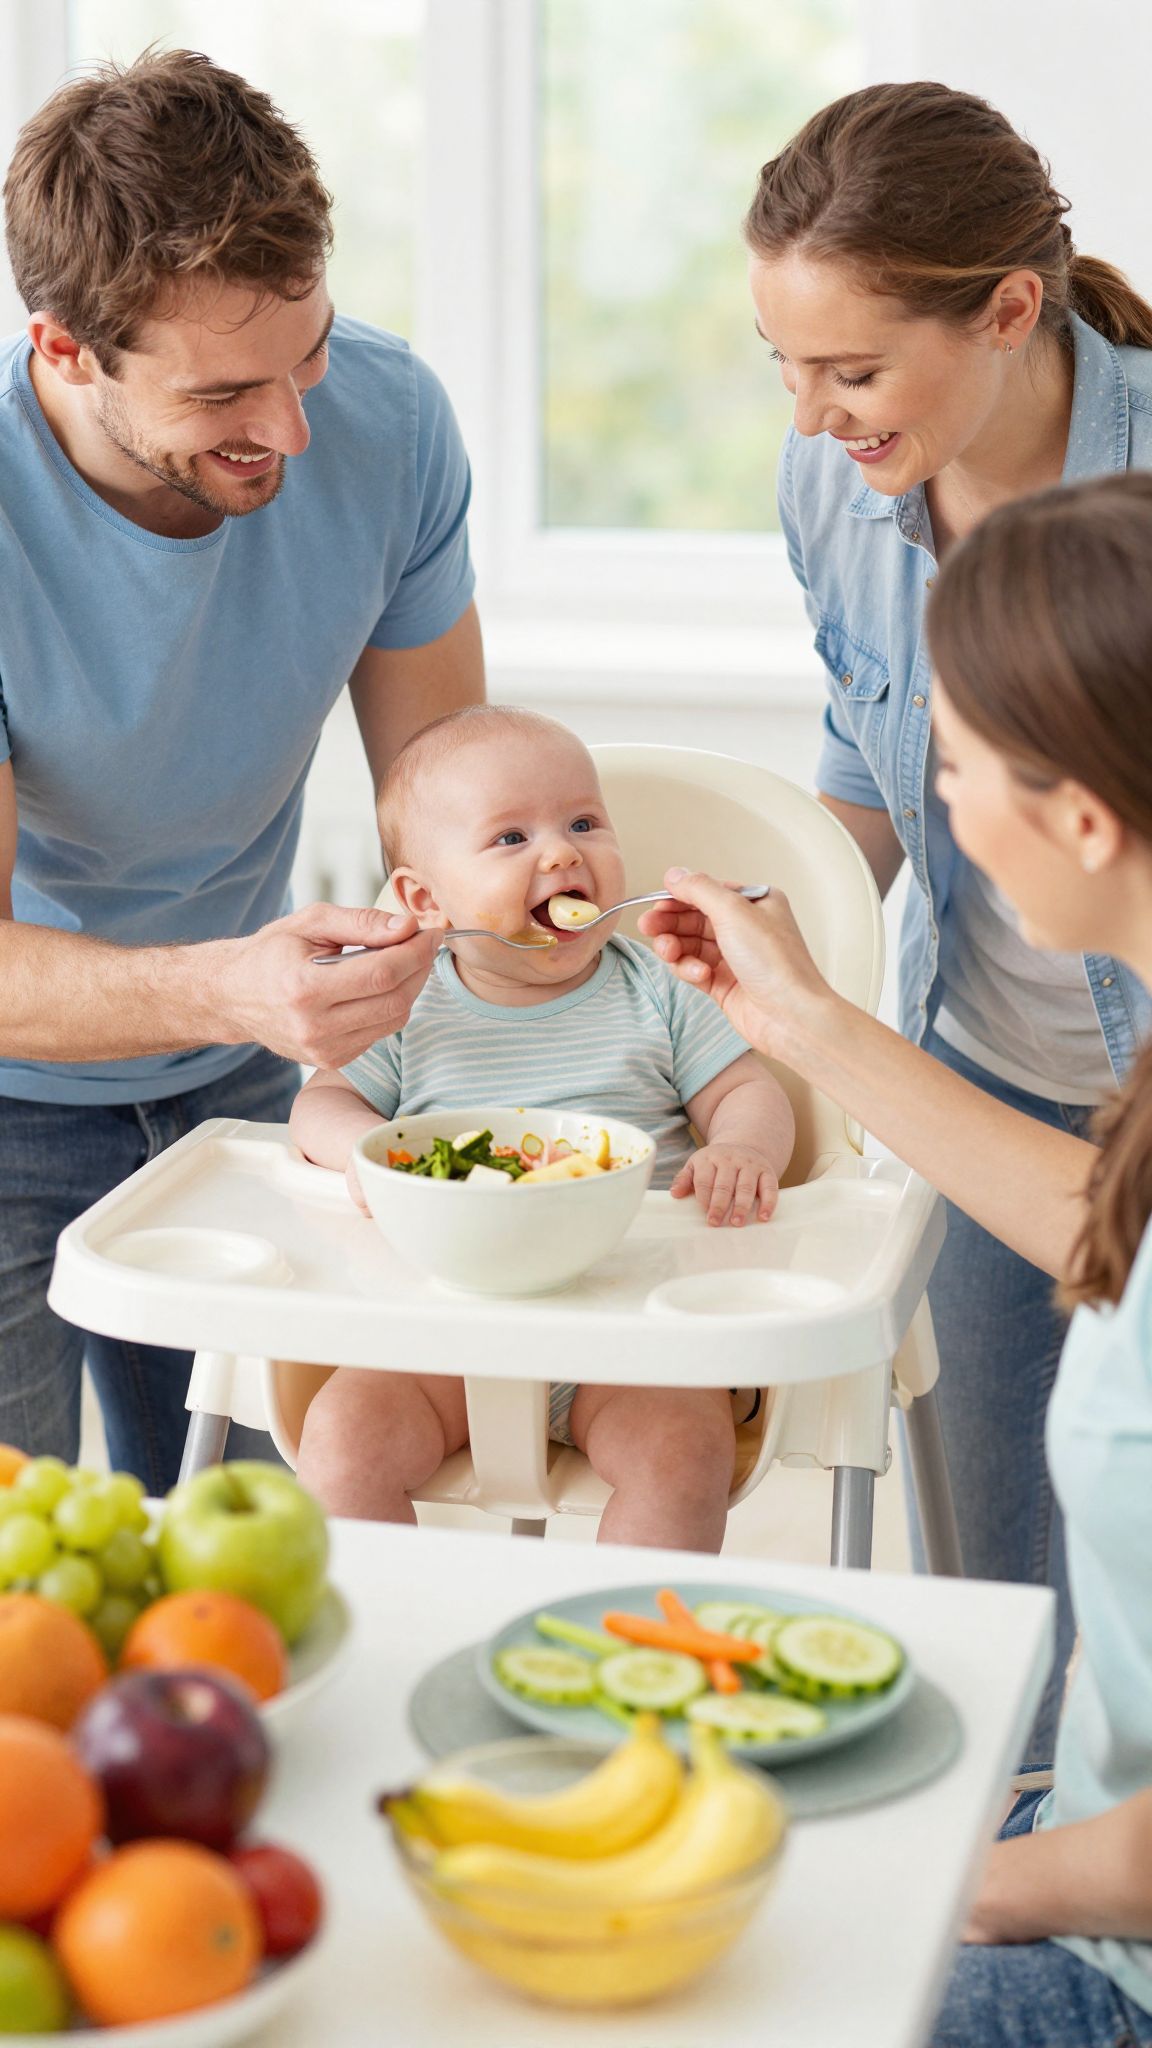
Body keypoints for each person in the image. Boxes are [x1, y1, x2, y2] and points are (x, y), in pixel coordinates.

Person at [640, 471, 1152, 2047]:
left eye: (953, 756)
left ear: (1077, 814)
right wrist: (799, 1023)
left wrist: (926, 1872)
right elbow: (1102, 1231)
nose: (927, 789)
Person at [0, 51, 483, 1490]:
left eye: (309, 351)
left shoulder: (391, 424)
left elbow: (442, 797)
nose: (290, 430)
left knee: (268, 1574)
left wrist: (538, 902)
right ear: (66, 351)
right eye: (223, 392)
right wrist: (234, 986)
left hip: (253, 1094)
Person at [743, 79, 1152, 1753]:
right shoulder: (843, 496)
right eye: (780, 365)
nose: (808, 415)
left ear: (1005, 310)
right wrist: (776, 971)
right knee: (1001, 1625)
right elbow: (866, 745)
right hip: (979, 1077)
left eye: (850, 370)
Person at [289, 706, 794, 1547]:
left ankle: (625, 1659)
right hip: (447, 1328)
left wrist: (743, 1147)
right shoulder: (404, 1008)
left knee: (683, 1453)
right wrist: (359, 1156)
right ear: (424, 899)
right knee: (342, 1439)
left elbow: (747, 1089)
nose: (562, 853)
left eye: (583, 823)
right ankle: (385, 1637)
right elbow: (321, 1103)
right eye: (510, 839)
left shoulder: (659, 986)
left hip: (635, 1329)